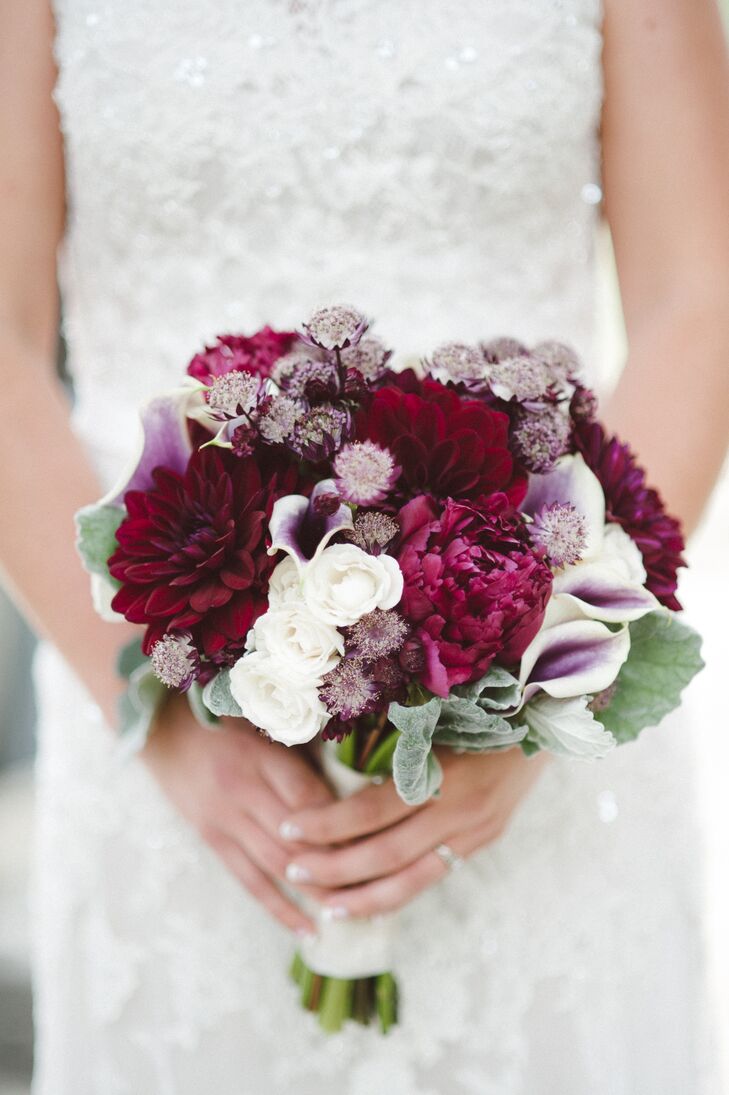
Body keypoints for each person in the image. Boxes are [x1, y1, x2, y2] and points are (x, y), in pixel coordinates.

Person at [1, 1, 728, 1092]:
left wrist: (538, 701)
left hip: (535, 723)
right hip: (166, 739)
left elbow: (696, 297)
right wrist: (150, 711)